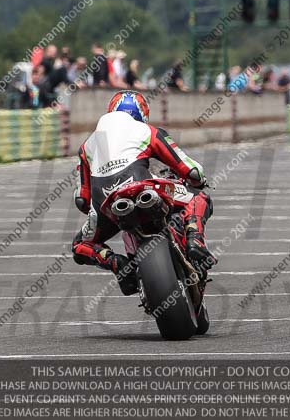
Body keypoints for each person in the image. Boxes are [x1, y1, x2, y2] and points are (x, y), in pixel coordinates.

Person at [71, 91, 217, 295]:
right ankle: (195, 237)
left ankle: (116, 263)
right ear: (142, 114)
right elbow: (190, 169)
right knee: (199, 198)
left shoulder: (86, 146)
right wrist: (198, 180)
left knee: (80, 245)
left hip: (106, 202)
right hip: (143, 188)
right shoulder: (147, 131)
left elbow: (82, 200)